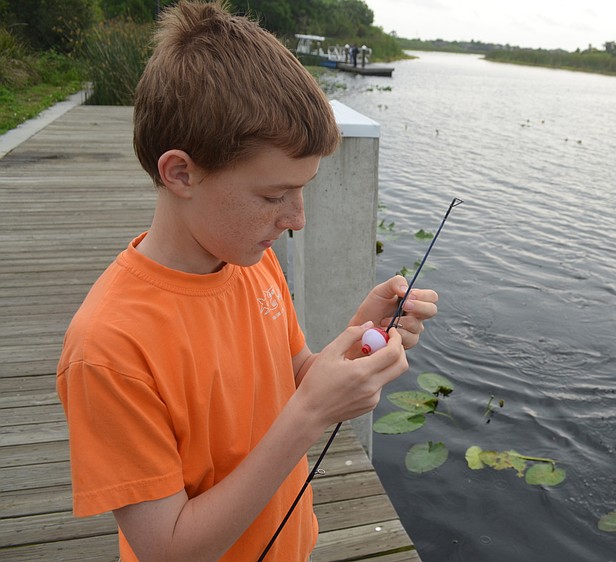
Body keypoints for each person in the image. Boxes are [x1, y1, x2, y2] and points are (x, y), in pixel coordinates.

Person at [55, 2, 438, 561]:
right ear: (180, 173)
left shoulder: (251, 261)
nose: (297, 219)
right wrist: (311, 414)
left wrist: (360, 340)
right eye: (272, 196)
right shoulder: (109, 349)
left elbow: (292, 376)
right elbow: (169, 549)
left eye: (302, 190)